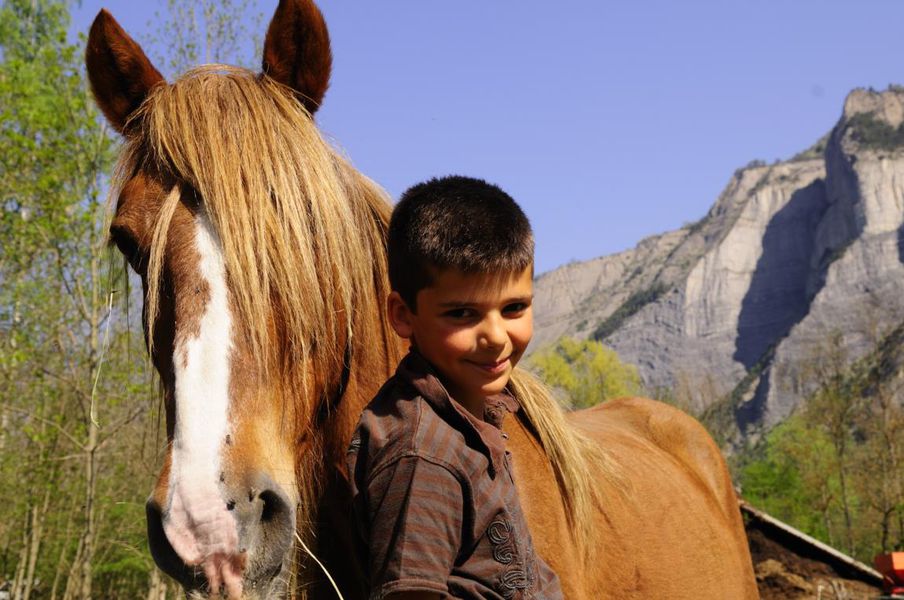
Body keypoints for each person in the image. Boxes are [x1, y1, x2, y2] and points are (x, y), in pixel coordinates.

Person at [346, 175, 564, 599]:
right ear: (402, 315)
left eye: (514, 307)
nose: (496, 337)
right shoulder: (424, 456)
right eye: (463, 313)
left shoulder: (471, 418)